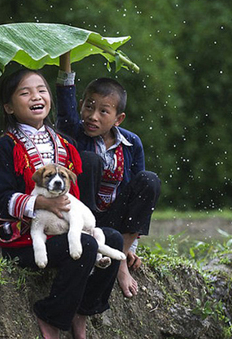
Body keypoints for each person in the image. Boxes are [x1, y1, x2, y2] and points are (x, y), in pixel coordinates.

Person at [0, 68, 123, 339]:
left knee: (112, 239)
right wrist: (42, 204)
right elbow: (1, 201)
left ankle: (81, 311)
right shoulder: (5, 146)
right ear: (9, 107)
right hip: (25, 239)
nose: (36, 96)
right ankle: (50, 313)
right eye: (25, 92)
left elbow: (75, 198)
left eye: (42, 90)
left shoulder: (64, 143)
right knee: (89, 245)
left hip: (61, 228)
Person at [55, 52, 161, 299]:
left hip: (115, 217)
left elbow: (139, 194)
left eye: (104, 111)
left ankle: (121, 260)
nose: (93, 116)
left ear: (118, 118)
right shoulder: (73, 131)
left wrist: (131, 246)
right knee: (88, 160)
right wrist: (65, 56)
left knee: (149, 180)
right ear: (81, 105)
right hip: (85, 218)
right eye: (89, 106)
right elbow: (65, 95)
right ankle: (93, 245)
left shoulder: (132, 143)